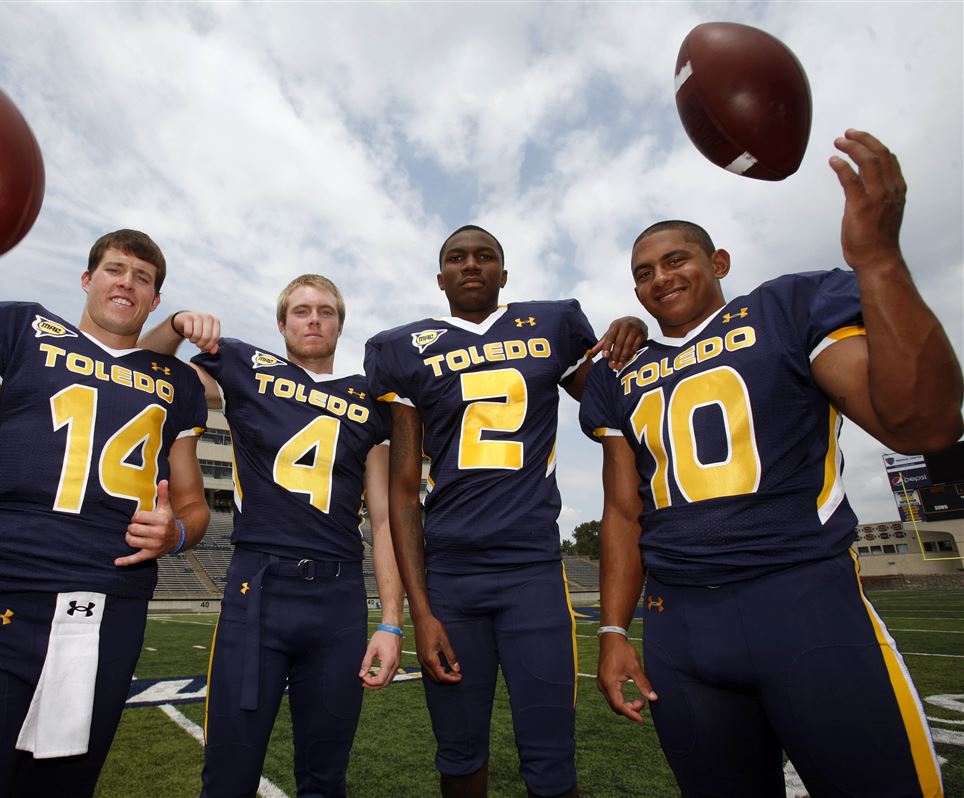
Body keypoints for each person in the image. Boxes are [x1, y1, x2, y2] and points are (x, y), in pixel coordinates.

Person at [580, 130, 961, 797]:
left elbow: (924, 425)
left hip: (804, 605)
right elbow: (621, 510)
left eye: (677, 259)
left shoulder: (789, 307)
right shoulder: (624, 372)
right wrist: (614, 629)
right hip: (680, 626)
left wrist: (877, 263)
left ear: (719, 259)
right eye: (644, 272)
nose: (660, 277)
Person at [0, 195, 210, 798]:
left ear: (155, 299)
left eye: (144, 278)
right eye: (115, 269)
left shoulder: (173, 382)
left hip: (110, 615)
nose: (127, 282)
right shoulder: (20, 329)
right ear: (87, 278)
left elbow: (193, 506)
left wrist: (176, 534)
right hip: (1, 599)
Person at [364, 226, 646, 798]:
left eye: (485, 256)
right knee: (459, 751)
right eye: (457, 258)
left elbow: (619, 407)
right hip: (450, 579)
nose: (471, 265)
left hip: (531, 572)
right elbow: (402, 491)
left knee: (550, 754)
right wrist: (421, 610)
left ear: (504, 274)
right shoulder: (404, 347)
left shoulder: (553, 324)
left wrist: (633, 339)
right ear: (439, 276)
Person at [141, 274, 404, 798]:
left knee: (326, 777)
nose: (314, 319)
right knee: (229, 773)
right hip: (259, 590)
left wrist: (392, 623)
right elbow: (151, 369)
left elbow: (383, 521)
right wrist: (173, 326)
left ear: (339, 325)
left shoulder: (369, 402)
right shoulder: (246, 368)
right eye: (302, 311)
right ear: (282, 324)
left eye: (326, 311)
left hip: (338, 599)